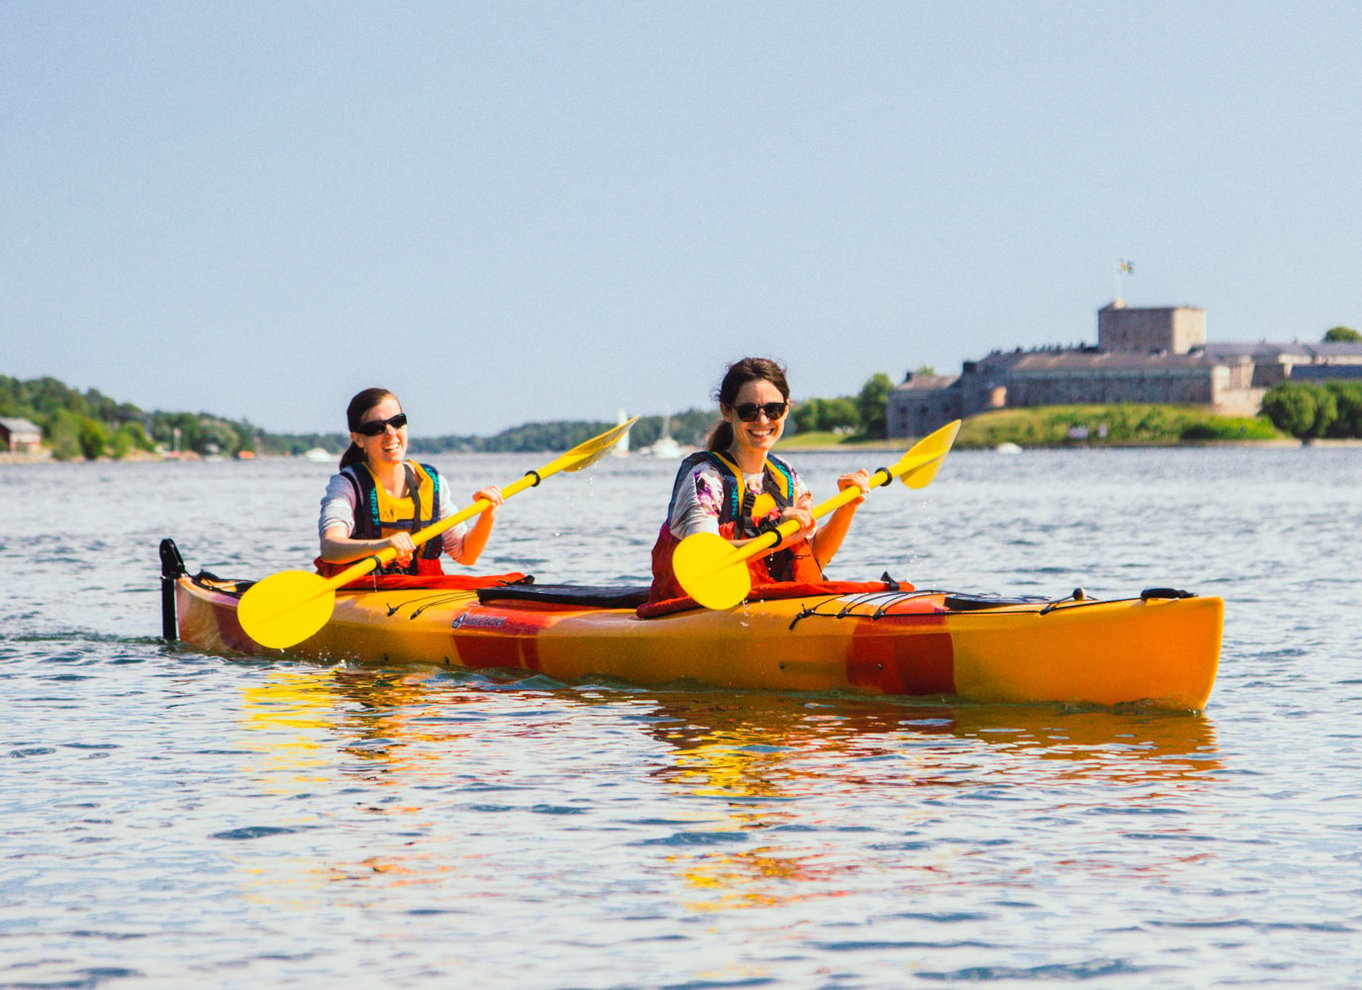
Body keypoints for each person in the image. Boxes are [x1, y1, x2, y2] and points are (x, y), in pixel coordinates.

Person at [649, 357, 871, 602]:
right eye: (749, 411)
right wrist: (775, 537)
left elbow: (816, 556)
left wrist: (847, 506)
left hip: (768, 606)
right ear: (727, 411)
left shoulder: (785, 475)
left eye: (773, 409)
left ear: (786, 408)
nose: (763, 420)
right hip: (704, 608)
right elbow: (703, 557)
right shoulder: (706, 479)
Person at [317, 388, 503, 577]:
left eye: (397, 422)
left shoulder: (431, 482)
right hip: (361, 591)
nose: (390, 433)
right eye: (376, 428)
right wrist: (382, 545)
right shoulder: (347, 485)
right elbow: (330, 548)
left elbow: (466, 555)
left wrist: (488, 514)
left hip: (418, 591)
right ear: (358, 439)